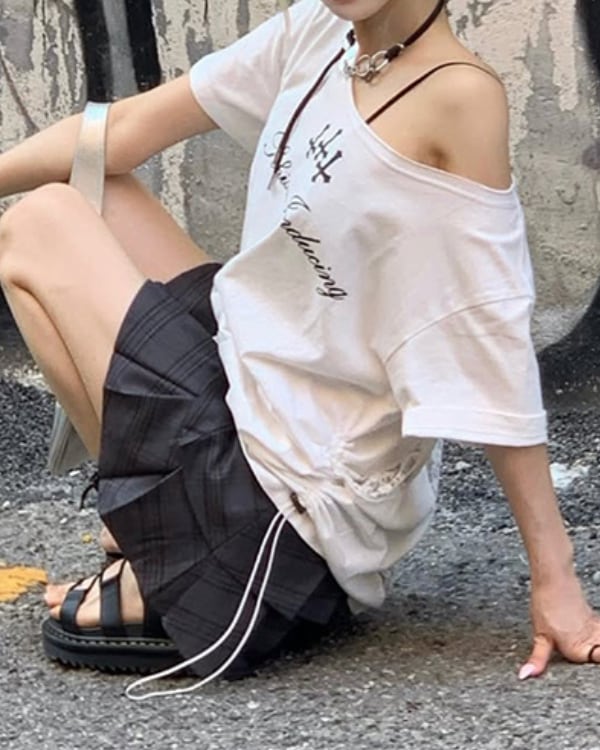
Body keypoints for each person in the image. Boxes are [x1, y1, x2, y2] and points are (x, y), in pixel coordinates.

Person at [0, 0, 599, 696]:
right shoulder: (322, 31)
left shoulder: (459, 97)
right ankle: (160, 527)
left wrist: (555, 576)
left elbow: (489, 339)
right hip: (255, 400)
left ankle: (176, 560)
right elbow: (119, 133)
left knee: (40, 226)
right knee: (90, 192)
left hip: (289, 514)